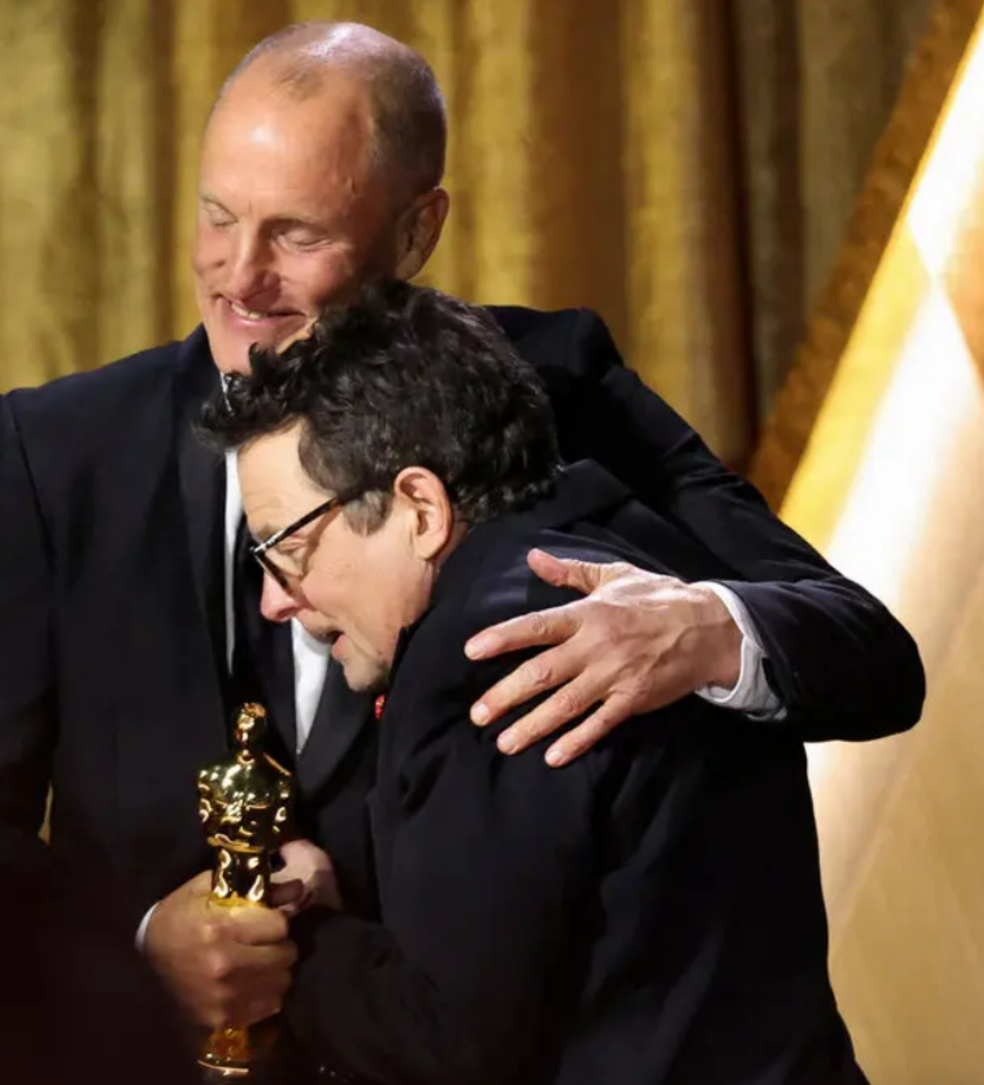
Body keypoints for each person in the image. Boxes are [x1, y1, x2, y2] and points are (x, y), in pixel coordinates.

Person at [0, 20, 923, 1041]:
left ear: (415, 231)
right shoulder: (55, 455)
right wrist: (140, 938)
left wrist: (704, 628)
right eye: (217, 217)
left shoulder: (553, 385)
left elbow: (868, 653)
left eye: (297, 232)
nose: (239, 279)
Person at [202, 278, 866, 1085]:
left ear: (419, 508)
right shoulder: (629, 547)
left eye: (286, 547)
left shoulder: (491, 652)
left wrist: (282, 937)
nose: (275, 598)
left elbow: (448, 1045)